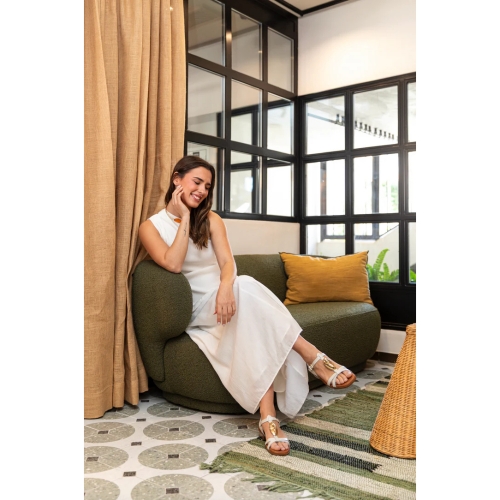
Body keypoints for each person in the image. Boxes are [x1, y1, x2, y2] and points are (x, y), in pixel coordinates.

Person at [138, 155, 356, 456]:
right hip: (196, 308)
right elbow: (173, 264)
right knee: (247, 287)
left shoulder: (211, 219)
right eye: (197, 182)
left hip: (227, 298)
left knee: (249, 311)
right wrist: (184, 217)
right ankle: (312, 355)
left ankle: (268, 418)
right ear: (177, 179)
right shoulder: (150, 227)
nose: (202, 191)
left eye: (207, 186)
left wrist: (226, 288)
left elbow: (228, 264)